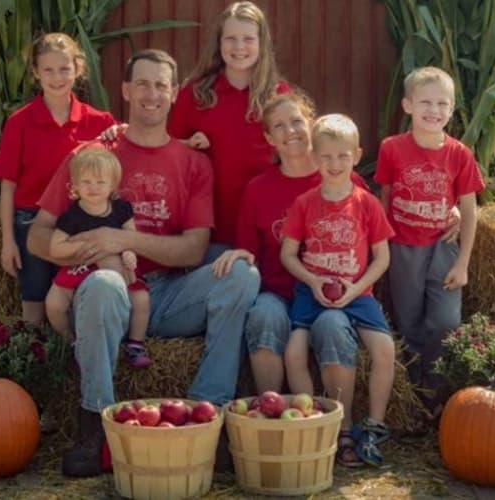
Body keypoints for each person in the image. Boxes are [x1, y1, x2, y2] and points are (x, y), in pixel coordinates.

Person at [28, 49, 260, 478]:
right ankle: (94, 425)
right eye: (143, 83)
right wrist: (81, 250)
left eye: (161, 85)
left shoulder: (193, 162)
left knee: (244, 276)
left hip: (169, 296)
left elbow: (193, 250)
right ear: (126, 90)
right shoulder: (93, 157)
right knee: (102, 285)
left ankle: (208, 417)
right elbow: (38, 234)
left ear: (174, 95)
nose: (151, 94)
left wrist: (122, 237)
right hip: (108, 297)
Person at [211, 92, 369, 395]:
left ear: (310, 125)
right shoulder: (258, 190)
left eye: (297, 121)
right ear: (270, 138)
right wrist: (238, 256)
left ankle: (337, 426)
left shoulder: (341, 179)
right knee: (263, 317)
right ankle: (272, 412)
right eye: (279, 126)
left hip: (330, 295)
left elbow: (374, 237)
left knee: (333, 327)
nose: (291, 131)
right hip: (279, 292)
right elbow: (249, 252)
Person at [280, 114, 396, 468]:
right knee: (294, 352)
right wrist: (313, 281)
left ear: (357, 155)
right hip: (313, 293)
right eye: (327, 156)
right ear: (314, 157)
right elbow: (288, 254)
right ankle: (318, 421)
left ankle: (375, 424)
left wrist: (358, 287)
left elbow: (382, 257)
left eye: (343, 156)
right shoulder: (305, 204)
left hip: (357, 294)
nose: (334, 164)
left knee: (385, 348)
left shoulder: (366, 203)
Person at [373, 66, 485, 421]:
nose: (433, 111)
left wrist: (463, 262)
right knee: (407, 321)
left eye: (442, 104)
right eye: (425, 102)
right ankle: (413, 396)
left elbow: (469, 209)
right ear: (407, 105)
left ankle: (436, 389)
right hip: (404, 246)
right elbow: (385, 199)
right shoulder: (392, 149)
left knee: (445, 321)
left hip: (443, 248)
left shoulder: (458, 154)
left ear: (451, 110)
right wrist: (382, 250)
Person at [0, 32, 117, 324]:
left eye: (64, 69)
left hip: (81, 222)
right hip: (30, 221)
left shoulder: (100, 122)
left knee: (75, 303)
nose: (57, 77)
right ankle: (36, 363)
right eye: (48, 70)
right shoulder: (19, 122)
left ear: (78, 69)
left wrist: (115, 136)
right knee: (34, 303)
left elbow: (131, 152)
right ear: (35, 72)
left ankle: (72, 361)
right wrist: (7, 242)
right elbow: (8, 187)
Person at [168, 1, 289, 258]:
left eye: (248, 39)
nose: (239, 47)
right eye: (231, 38)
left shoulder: (278, 96)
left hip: (267, 231)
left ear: (261, 43)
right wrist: (188, 145)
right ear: (219, 42)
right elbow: (168, 153)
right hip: (208, 232)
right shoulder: (195, 94)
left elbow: (296, 158)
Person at [45, 147, 151, 368]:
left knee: (142, 300)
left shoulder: (121, 209)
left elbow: (131, 237)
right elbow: (55, 248)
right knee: (54, 304)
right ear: (74, 185)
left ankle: (135, 344)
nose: (93, 188)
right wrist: (82, 247)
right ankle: (71, 342)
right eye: (86, 182)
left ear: (113, 185)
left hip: (116, 267)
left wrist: (129, 252)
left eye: (100, 182)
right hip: (82, 266)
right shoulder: (71, 215)